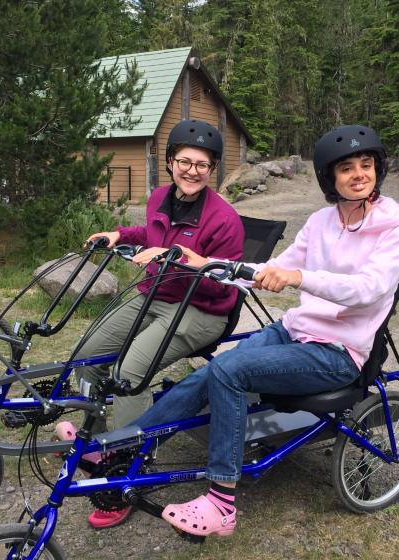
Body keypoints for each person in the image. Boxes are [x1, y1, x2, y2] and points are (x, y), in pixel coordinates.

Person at [129, 124, 399, 537]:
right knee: (210, 370)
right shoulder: (322, 220)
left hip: (338, 352)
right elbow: (270, 268)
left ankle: (222, 503)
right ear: (330, 178)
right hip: (294, 331)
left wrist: (298, 277)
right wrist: (209, 264)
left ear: (378, 168)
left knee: (231, 372)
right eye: (347, 168)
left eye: (366, 164)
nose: (359, 174)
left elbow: (368, 290)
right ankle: (125, 445)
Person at [69, 119, 245, 529]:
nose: (192, 170)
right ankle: (95, 441)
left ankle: (127, 470)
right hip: (152, 295)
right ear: (170, 162)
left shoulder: (224, 220)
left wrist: (176, 261)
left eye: (203, 164)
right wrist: (118, 233)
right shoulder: (160, 198)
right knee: (87, 356)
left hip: (199, 310)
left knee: (129, 374)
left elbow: (224, 290)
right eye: (185, 161)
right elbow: (149, 233)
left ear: (211, 169)